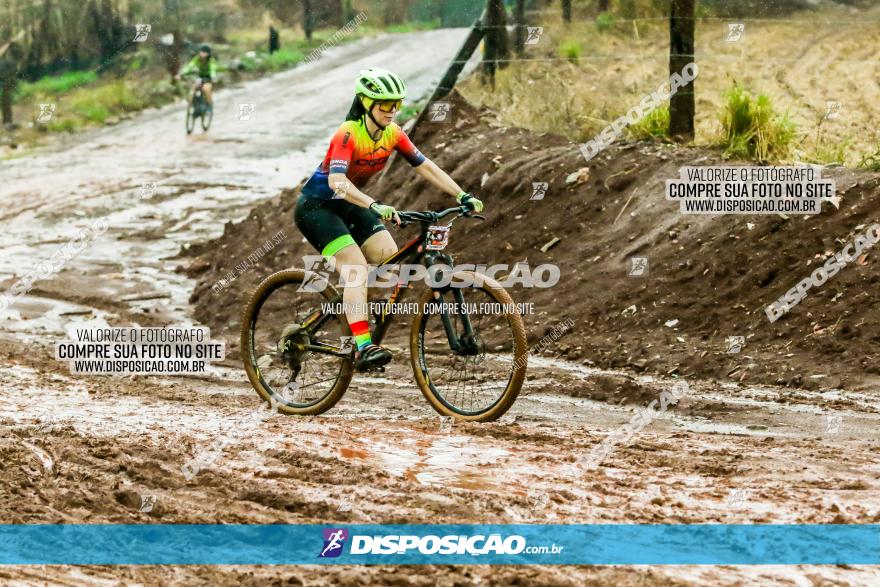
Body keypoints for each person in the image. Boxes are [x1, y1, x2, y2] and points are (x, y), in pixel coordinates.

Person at [294, 66, 484, 371]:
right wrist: (374, 204)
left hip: (352, 205)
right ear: (366, 102)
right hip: (318, 209)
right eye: (385, 104)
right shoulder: (348, 133)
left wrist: (461, 194)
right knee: (356, 270)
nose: (393, 110)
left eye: (398, 103)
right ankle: (363, 345)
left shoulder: (393, 133)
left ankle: (352, 318)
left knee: (388, 263)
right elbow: (337, 183)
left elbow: (425, 166)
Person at [177, 44, 217, 110]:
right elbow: (190, 66)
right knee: (193, 88)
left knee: (206, 90)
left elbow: (212, 68)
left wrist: (213, 76)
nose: (202, 53)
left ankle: (209, 105)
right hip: (200, 77)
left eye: (204, 52)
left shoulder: (211, 60)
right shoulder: (197, 58)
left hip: (208, 78)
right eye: (201, 51)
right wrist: (182, 73)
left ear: (208, 54)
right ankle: (194, 104)